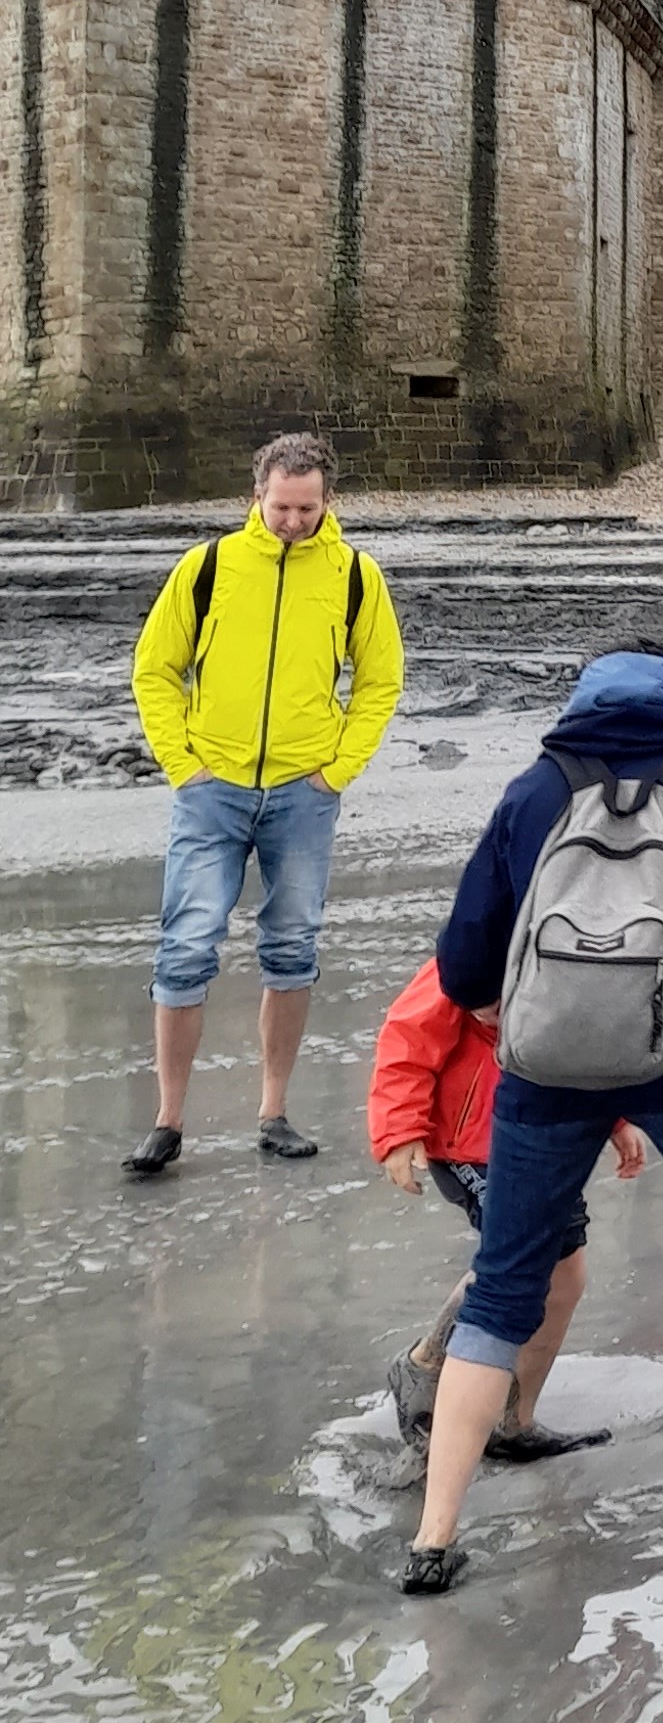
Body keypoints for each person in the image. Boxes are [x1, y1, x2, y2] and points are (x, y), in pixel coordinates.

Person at [400, 645, 663, 1596]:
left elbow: (463, 965)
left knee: (503, 1290)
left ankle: (434, 1536)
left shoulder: (535, 787)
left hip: (546, 1070)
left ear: (584, 697)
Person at [125, 432, 406, 1175]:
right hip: (210, 790)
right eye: (281, 507)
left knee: (292, 948)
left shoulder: (354, 576)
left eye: (306, 509)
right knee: (186, 948)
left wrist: (337, 770)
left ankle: (274, 1112)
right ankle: (168, 1121)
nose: (292, 521)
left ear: (327, 501)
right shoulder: (209, 567)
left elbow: (379, 681)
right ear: (258, 496)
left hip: (303, 794)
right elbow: (155, 670)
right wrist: (183, 765)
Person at [368, 958, 643, 1461]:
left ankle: (513, 1423)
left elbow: (582, 1048)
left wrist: (613, 1119)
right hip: (469, 1145)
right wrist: (398, 1130)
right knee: (519, 1261)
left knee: (565, 1276)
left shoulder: (575, 948)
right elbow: (406, 1040)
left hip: (546, 1135)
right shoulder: (480, 942)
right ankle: (426, 1362)